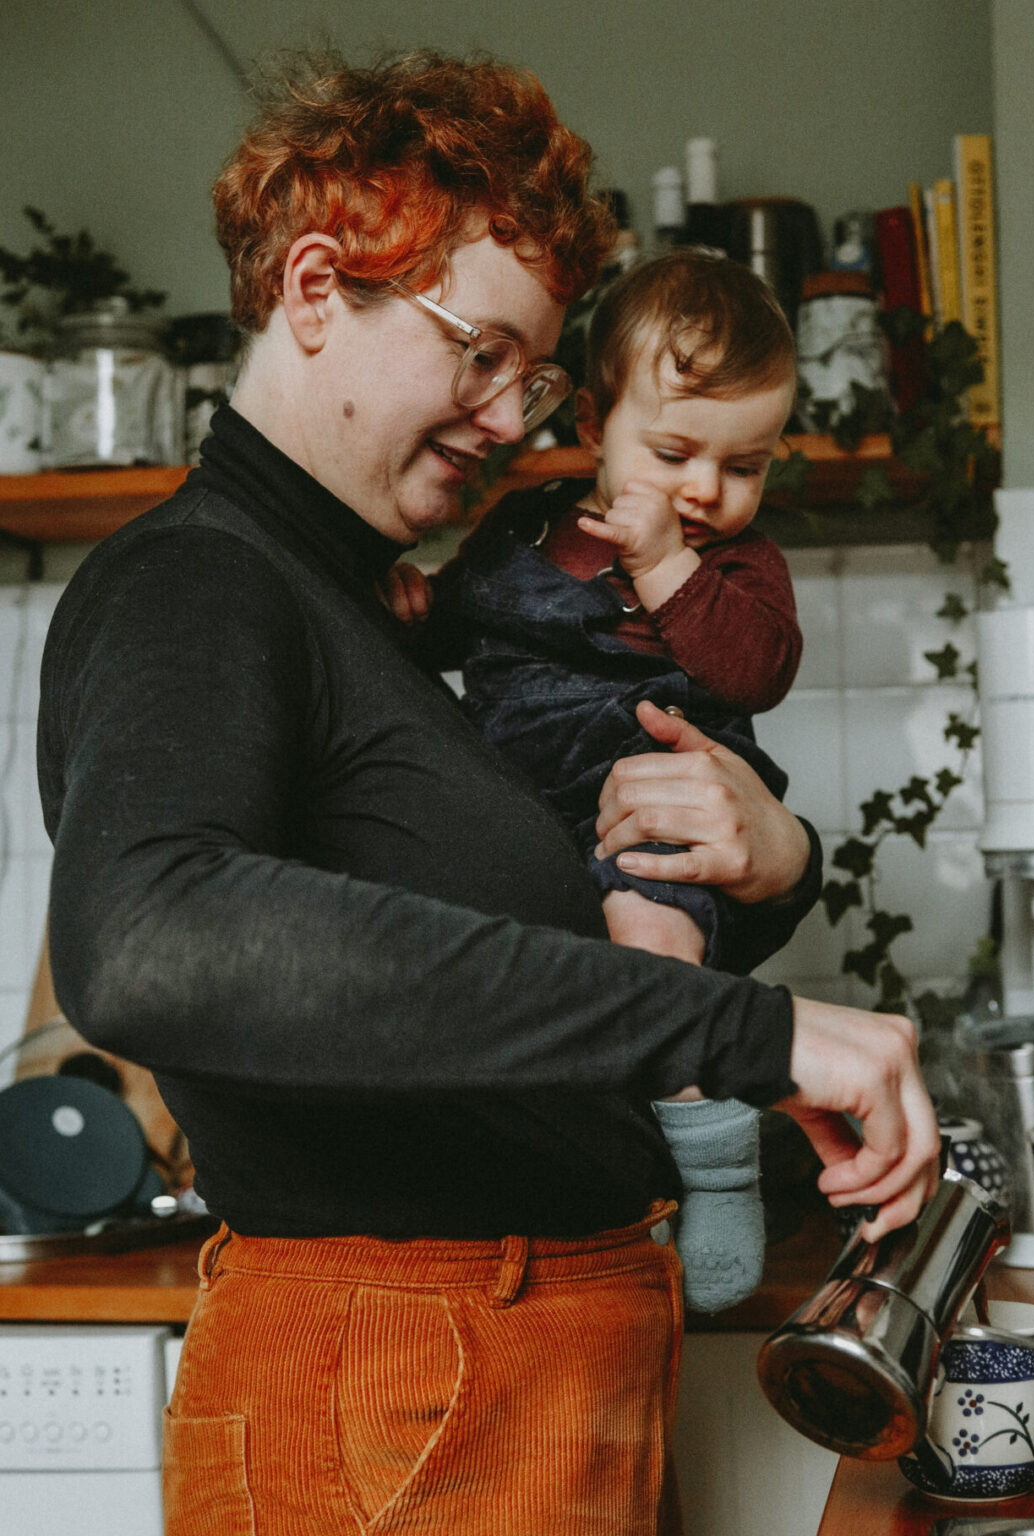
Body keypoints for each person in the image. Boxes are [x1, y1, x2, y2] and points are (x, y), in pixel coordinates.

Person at [37, 49, 940, 1536]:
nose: (516, 416)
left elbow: (531, 951)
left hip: (505, 1368)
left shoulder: (386, 618)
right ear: (317, 290)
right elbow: (147, 939)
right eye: (480, 353)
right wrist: (751, 1030)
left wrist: (777, 865)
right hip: (400, 1381)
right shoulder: (197, 585)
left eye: (534, 375)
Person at [385, 251, 804, 1312]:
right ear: (588, 428)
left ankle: (712, 1168)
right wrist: (410, 606)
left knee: (654, 939)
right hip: (517, 797)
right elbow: (457, 613)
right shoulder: (525, 525)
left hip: (655, 799)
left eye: (745, 466)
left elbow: (755, 668)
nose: (708, 490)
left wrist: (666, 563)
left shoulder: (736, 566)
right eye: (672, 453)